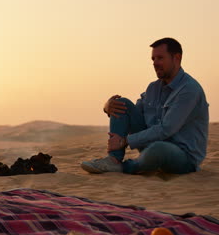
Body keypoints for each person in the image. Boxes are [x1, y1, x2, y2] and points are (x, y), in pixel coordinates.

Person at [81, 38, 209, 175]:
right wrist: (108, 107)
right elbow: (132, 113)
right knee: (122, 103)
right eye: (153, 59)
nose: (155, 63)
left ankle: (127, 167)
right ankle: (114, 160)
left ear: (177, 58)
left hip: (183, 157)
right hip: (153, 146)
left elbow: (166, 129)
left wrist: (125, 141)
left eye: (160, 58)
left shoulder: (189, 89)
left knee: (159, 149)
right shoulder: (153, 88)